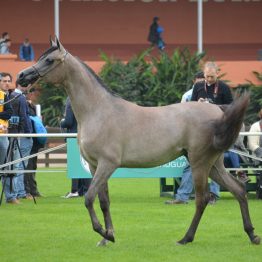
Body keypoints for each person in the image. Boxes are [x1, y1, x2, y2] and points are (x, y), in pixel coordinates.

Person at [165, 72, 205, 205]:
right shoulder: (187, 95)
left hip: (206, 135)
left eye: (203, 81)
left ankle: (210, 195)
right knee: (194, 165)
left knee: (211, 164)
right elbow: (180, 116)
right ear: (194, 81)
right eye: (199, 81)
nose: (201, 84)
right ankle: (183, 196)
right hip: (191, 136)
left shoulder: (212, 92)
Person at [1, 73, 33, 204]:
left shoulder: (6, 96)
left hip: (7, 135)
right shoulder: (13, 97)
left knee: (9, 166)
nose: (7, 83)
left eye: (8, 81)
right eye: (4, 81)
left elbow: (8, 114)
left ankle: (11, 196)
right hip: (8, 134)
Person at [61, 97, 92, 198]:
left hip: (74, 136)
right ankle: (85, 190)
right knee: (85, 163)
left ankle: (74, 190)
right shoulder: (86, 99)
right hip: (86, 135)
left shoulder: (71, 100)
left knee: (75, 163)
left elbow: (69, 121)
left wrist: (62, 122)